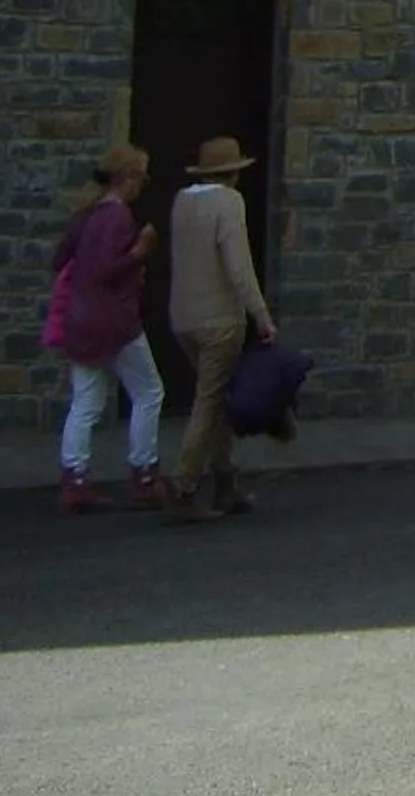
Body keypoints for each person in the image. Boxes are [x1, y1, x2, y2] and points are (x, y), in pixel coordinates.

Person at [49, 141, 168, 513]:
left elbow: (60, 259)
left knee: (85, 401)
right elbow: (107, 271)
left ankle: (75, 477)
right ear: (126, 178)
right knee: (149, 391)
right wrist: (139, 253)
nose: (142, 185)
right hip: (115, 320)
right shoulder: (118, 217)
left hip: (80, 319)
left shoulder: (84, 214)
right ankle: (144, 473)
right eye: (141, 177)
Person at [165, 134, 275, 524]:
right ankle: (184, 486)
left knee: (216, 399)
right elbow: (239, 267)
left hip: (183, 317)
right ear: (233, 174)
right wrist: (260, 314)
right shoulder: (229, 203)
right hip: (220, 319)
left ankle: (226, 481)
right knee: (209, 402)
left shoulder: (182, 202)